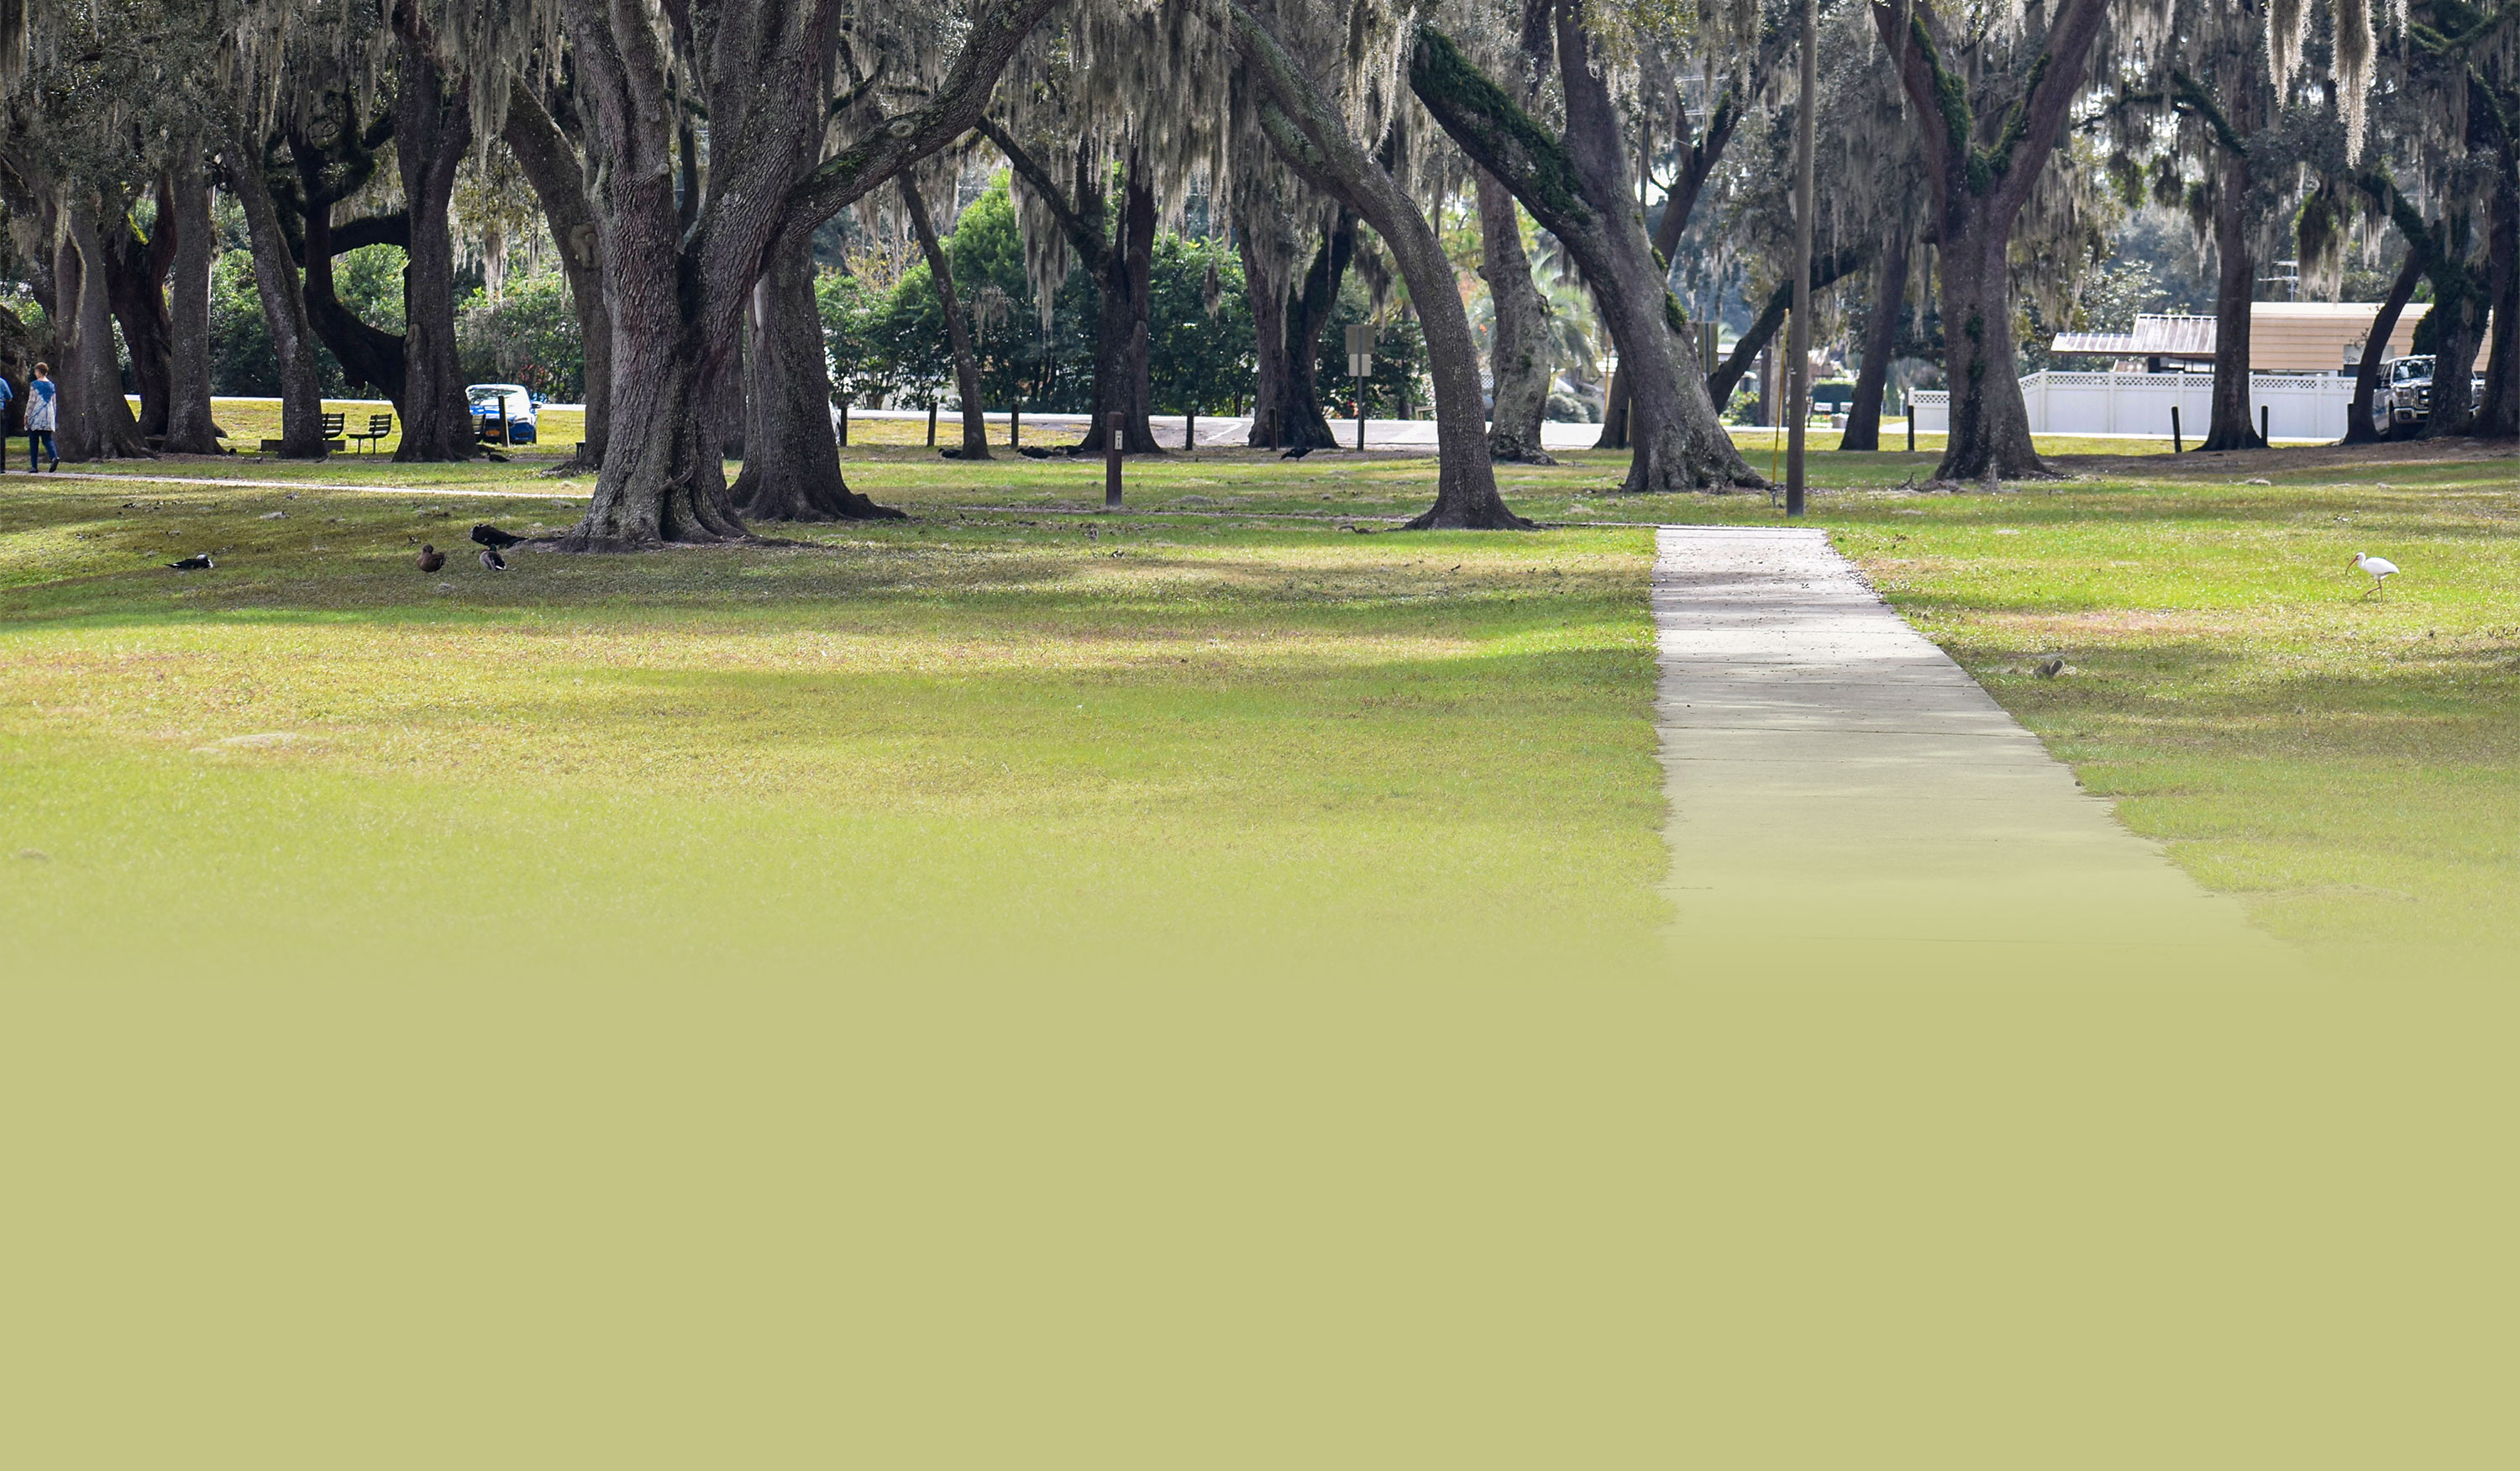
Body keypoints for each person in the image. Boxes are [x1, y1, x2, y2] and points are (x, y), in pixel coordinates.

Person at [24, 362, 57, 471]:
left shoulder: (35, 385)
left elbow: (31, 401)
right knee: (47, 439)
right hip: (49, 414)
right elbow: (54, 402)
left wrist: (27, 415)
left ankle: (34, 466)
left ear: (38, 371)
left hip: (37, 415)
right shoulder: (52, 385)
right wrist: (54, 415)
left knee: (34, 441)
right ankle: (54, 457)